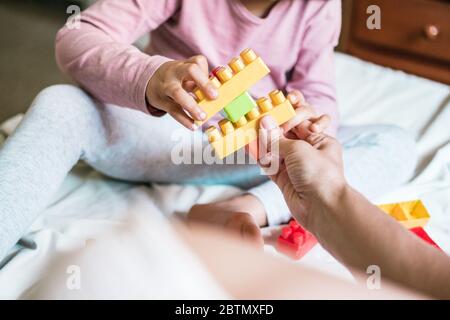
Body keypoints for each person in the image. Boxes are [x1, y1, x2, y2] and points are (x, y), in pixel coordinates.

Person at [0, 0, 416, 261]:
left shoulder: (318, 6)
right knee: (62, 103)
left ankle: (245, 208)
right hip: (157, 136)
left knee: (393, 143)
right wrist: (153, 76)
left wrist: (311, 120)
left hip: (258, 156)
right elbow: (78, 36)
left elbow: (316, 89)